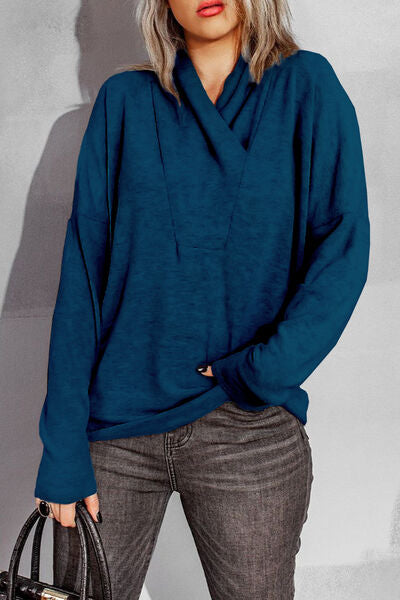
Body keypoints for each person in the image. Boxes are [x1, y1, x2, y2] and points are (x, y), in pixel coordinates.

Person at [34, 0, 370, 598]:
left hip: (248, 427)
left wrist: (262, 370)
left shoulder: (304, 85)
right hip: (114, 430)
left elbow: (341, 252)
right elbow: (83, 277)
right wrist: (62, 446)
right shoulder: (125, 102)